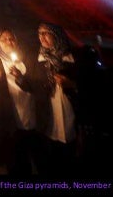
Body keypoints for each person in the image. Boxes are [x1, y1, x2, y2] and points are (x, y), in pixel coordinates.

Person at [14, 22, 78, 176]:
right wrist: (20, 78)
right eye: (39, 33)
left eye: (46, 33)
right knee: (52, 157)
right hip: (48, 115)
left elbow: (87, 84)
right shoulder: (37, 59)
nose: (41, 37)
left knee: (71, 156)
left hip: (71, 113)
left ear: (56, 35)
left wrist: (71, 84)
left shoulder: (70, 58)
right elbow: (31, 86)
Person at [0, 28, 37, 175]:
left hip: (30, 110)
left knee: (33, 154)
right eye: (3, 39)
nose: (8, 41)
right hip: (8, 113)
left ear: (16, 40)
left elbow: (35, 84)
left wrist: (20, 77)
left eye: (11, 38)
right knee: (13, 156)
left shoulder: (27, 57)